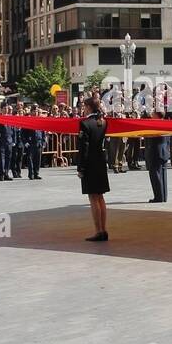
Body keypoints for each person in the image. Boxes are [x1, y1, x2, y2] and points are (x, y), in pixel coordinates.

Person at [76, 96, 110, 241]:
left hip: (90, 163)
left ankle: (98, 231)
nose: (83, 109)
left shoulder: (85, 124)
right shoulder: (103, 122)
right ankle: (104, 229)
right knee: (100, 197)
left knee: (93, 197)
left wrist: (80, 167)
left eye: (84, 106)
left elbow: (84, 148)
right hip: (100, 162)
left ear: (89, 107)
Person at [145, 118, 170, 203]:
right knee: (163, 175)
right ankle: (163, 196)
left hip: (156, 152)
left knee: (155, 175)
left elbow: (151, 136)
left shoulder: (156, 124)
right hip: (164, 151)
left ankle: (158, 197)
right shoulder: (166, 123)